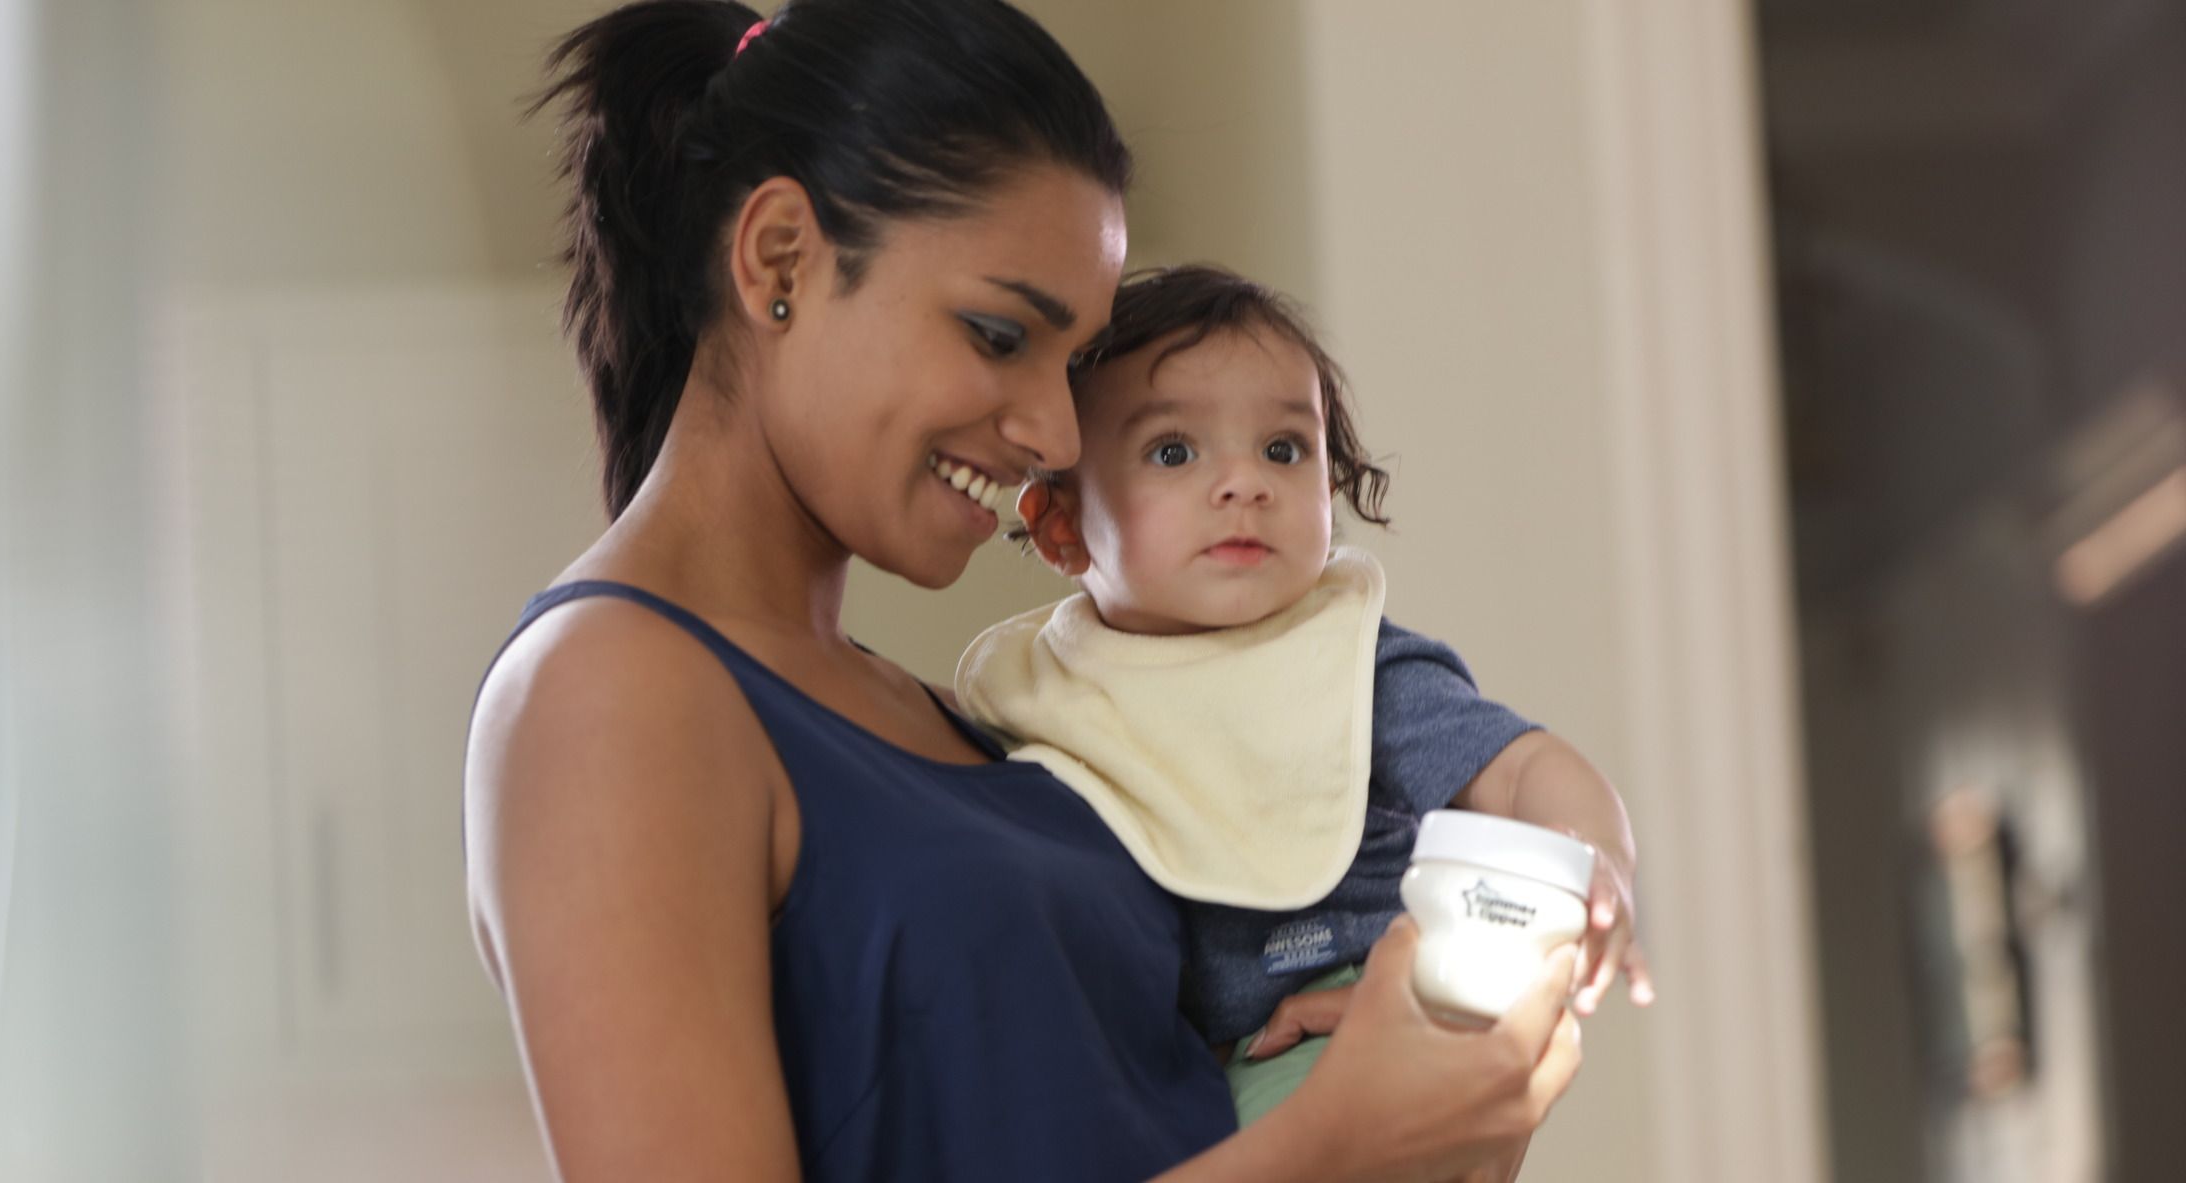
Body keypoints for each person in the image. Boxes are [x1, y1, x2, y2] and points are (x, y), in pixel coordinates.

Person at [462, 2, 1583, 1179]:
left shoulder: (953, 715)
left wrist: (1344, 1058)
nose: (1054, 433)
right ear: (780, 257)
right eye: (999, 334)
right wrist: (1333, 1142)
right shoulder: (605, 696)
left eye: (1071, 360)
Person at [956, 264, 1656, 1126]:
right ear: (1062, 523)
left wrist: (1594, 861)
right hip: (1163, 1051)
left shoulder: (1350, 668)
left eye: (1283, 449)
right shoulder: (1045, 693)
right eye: (1174, 451)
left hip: (1346, 1004)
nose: (1245, 482)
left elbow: (1520, 769)